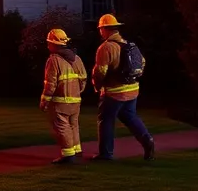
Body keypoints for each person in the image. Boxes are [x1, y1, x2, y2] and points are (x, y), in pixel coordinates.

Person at [91, 13, 155, 161]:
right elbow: (142, 63)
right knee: (130, 117)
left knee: (106, 121)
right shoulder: (130, 45)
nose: (100, 31)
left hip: (113, 92)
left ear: (105, 29)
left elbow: (100, 72)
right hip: (132, 90)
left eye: (100, 29)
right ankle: (147, 139)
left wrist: (97, 86)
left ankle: (105, 154)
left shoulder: (106, 47)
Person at [39, 28, 87, 164]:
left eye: (49, 43)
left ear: (54, 44)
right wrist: (77, 92)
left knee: (62, 126)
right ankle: (77, 150)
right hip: (76, 100)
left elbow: (50, 84)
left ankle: (68, 155)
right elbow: (83, 78)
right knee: (73, 125)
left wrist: (44, 101)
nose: (48, 45)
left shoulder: (53, 60)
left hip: (61, 101)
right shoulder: (76, 58)